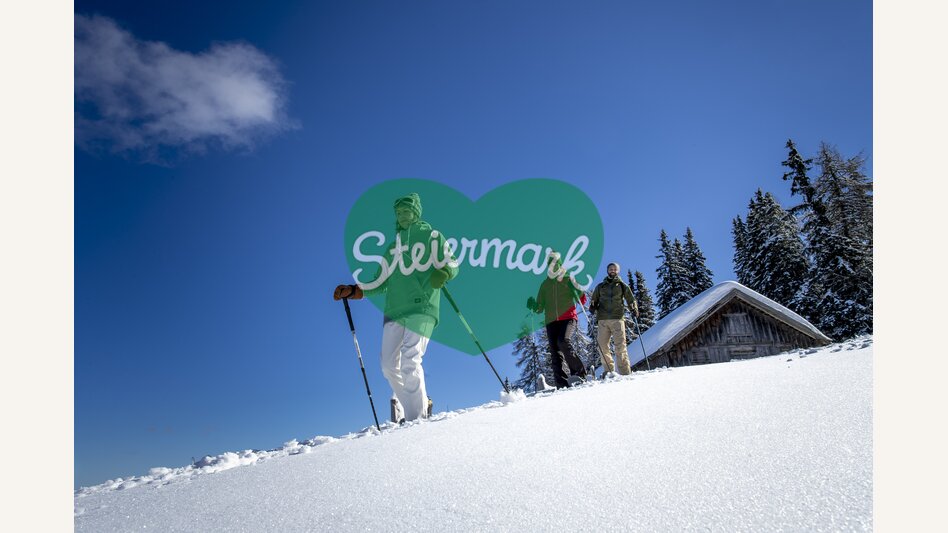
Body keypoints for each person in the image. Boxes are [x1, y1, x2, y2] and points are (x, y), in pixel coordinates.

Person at [334, 193, 458, 422]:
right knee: (389, 365)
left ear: (416, 212)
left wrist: (444, 272)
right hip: (394, 311)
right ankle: (420, 404)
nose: (402, 216)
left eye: (406, 211)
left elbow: (451, 261)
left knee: (411, 360)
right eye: (398, 213)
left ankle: (416, 418)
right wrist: (354, 290)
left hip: (423, 307)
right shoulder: (393, 248)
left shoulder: (432, 237)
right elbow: (378, 281)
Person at [527, 253, 587, 388]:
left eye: (556, 263)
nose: (553, 266)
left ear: (560, 264)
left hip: (568, 317)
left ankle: (579, 373)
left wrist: (577, 290)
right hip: (551, 321)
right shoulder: (545, 284)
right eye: (550, 264)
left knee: (563, 341)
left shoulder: (568, 279)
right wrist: (533, 305)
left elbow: (582, 299)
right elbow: (540, 308)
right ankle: (561, 382)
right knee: (555, 352)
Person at [589, 262, 638, 376]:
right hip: (603, 319)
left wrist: (634, 309)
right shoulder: (600, 286)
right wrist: (592, 306)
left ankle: (625, 372)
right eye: (611, 269)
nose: (612, 271)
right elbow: (594, 299)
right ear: (607, 271)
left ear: (618, 271)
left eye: (615, 269)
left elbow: (630, 299)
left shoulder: (622, 285)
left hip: (617, 318)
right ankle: (609, 371)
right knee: (602, 345)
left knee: (620, 346)